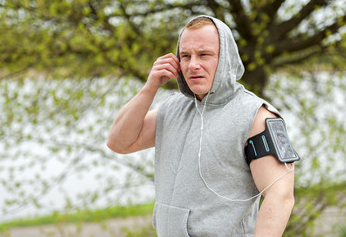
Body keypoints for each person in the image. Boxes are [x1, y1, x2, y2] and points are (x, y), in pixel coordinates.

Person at [107, 15, 296, 237]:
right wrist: (150, 88)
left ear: (225, 58)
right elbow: (119, 142)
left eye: (204, 55)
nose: (193, 65)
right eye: (185, 56)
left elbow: (280, 196)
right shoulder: (173, 109)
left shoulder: (256, 116)